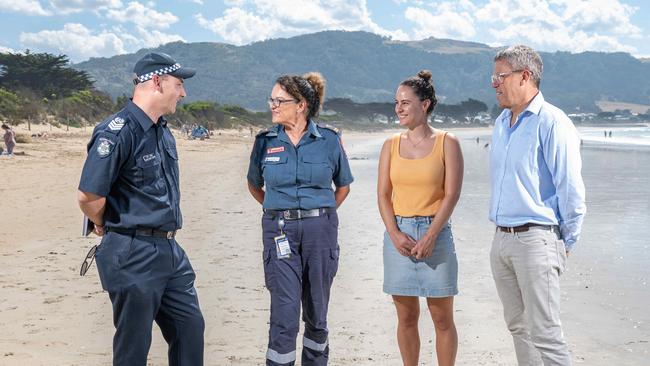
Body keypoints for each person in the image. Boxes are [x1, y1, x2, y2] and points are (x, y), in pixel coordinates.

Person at [77, 52, 205, 365]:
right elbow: (89, 197)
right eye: (179, 84)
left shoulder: (163, 131)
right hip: (132, 252)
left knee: (190, 328)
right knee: (134, 347)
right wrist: (106, 224)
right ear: (157, 82)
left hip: (169, 249)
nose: (183, 92)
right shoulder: (117, 131)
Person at [247, 72, 353, 365]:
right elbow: (255, 185)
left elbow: (343, 186)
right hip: (279, 230)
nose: (273, 105)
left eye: (279, 100)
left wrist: (320, 213)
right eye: (272, 99)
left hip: (321, 231)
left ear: (301, 104)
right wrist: (279, 209)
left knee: (317, 311)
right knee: (285, 310)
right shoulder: (265, 142)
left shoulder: (329, 140)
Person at [489, 45, 586, 365]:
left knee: (545, 332)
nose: (494, 83)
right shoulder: (502, 122)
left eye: (500, 76)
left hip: (537, 238)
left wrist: (564, 241)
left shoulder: (552, 122)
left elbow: (570, 187)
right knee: (518, 326)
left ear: (525, 76)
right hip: (501, 239)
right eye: (494, 76)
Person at [377, 70, 463, 366]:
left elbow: (451, 195)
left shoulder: (447, 142)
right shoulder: (390, 145)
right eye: (396, 103)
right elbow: (383, 196)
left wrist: (431, 236)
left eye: (405, 102)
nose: (398, 108)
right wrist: (394, 234)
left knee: (441, 319)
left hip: (435, 235)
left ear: (424, 104)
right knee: (407, 317)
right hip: (398, 236)